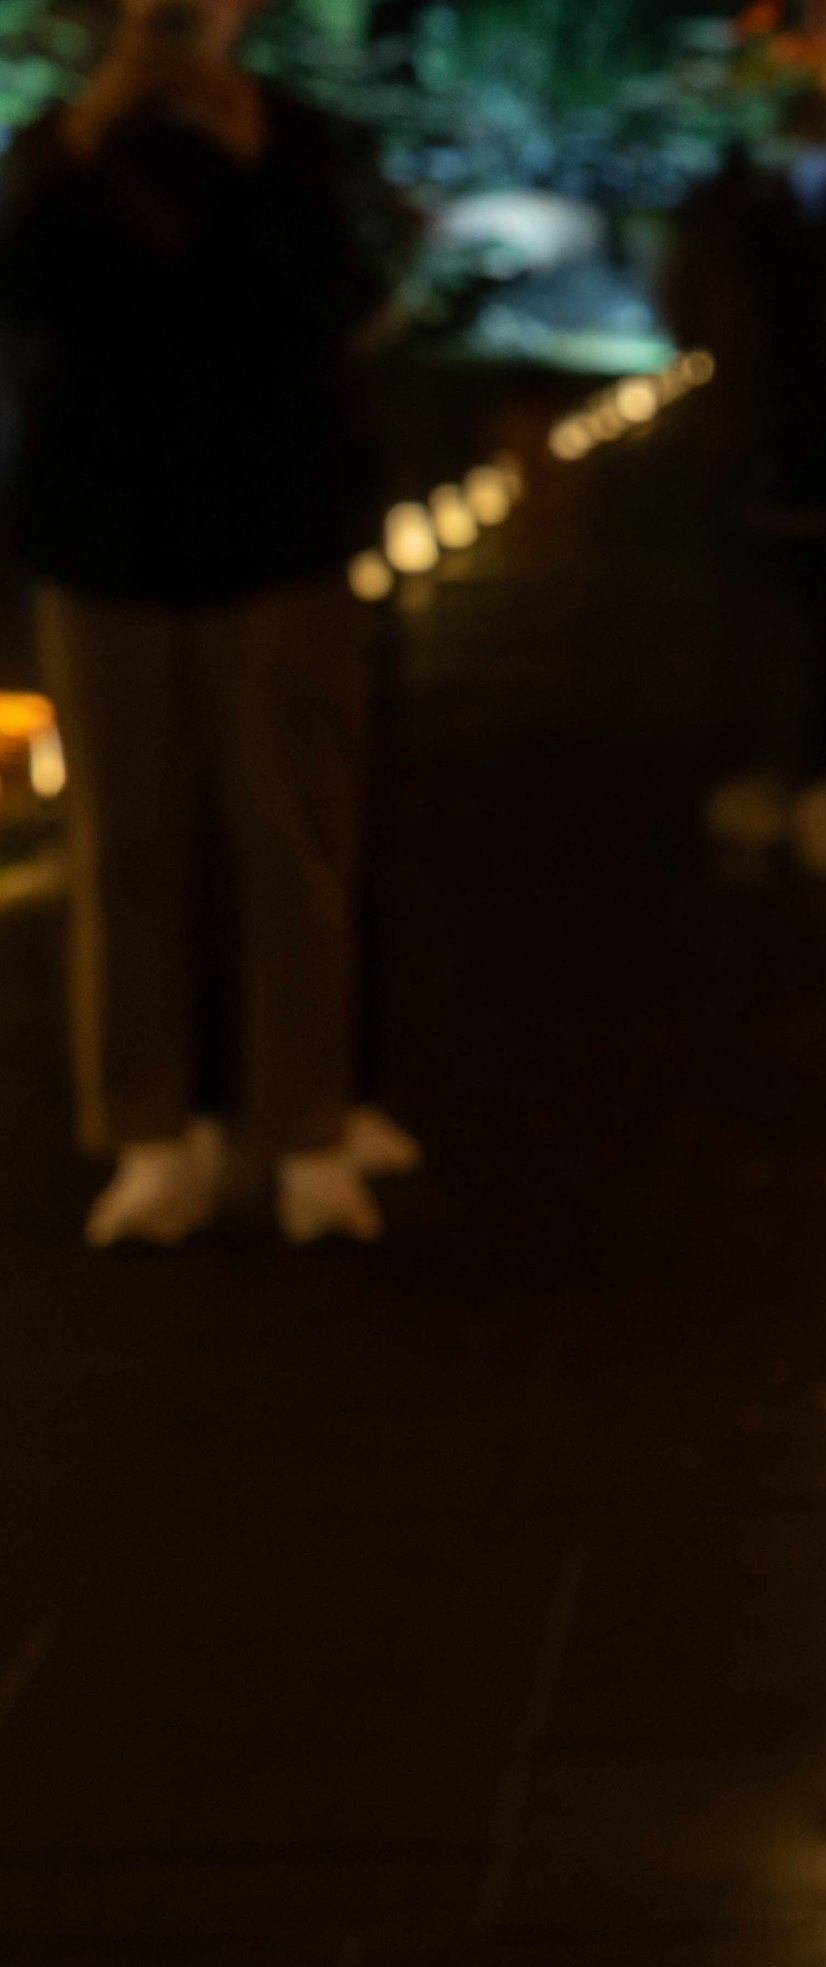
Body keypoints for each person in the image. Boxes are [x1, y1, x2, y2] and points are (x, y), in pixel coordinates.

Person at [0, 0, 402, 1245]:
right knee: (125, 849)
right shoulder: (60, 148)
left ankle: (305, 1128)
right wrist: (84, 138)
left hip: (274, 538)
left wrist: (253, 158)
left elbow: (345, 296)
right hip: (106, 541)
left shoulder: (302, 139)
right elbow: (14, 287)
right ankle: (149, 1127)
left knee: (291, 840)